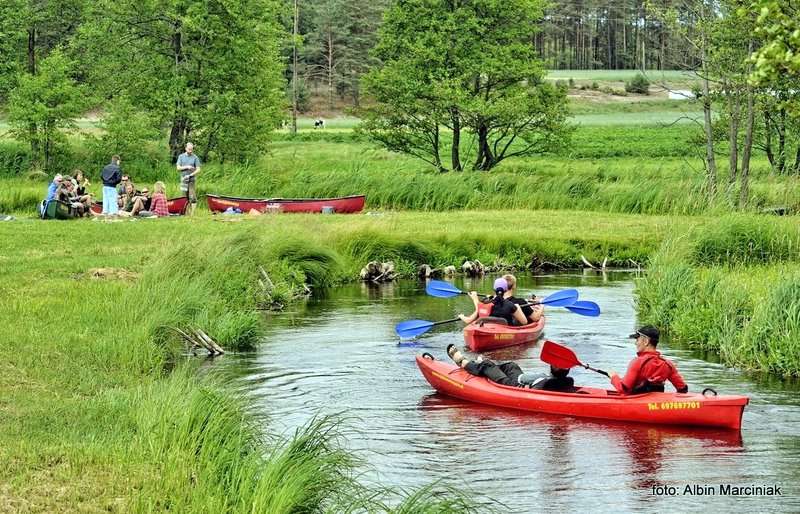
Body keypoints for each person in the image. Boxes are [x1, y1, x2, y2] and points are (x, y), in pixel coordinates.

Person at [446, 344, 575, 392]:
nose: (551, 363)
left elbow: (531, 393)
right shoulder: (564, 380)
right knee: (511, 365)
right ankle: (481, 365)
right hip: (519, 379)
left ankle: (463, 362)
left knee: (488, 365)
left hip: (512, 386)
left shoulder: (547, 383)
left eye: (554, 364)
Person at [608, 326, 688, 394]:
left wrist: (614, 377)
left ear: (646, 341)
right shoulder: (668, 364)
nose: (635, 343)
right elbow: (683, 389)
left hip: (636, 403)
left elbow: (623, 389)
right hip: (655, 404)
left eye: (637, 340)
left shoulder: (637, 362)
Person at [458, 277, 528, 326]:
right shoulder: (510, 305)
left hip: (487, 330)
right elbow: (524, 322)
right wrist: (517, 307)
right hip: (505, 332)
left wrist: (461, 316)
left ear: (494, 289)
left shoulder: (485, 303)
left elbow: (468, 320)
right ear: (506, 290)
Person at [176, 142, 201, 215]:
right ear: (186, 148)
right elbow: (178, 168)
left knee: (192, 196)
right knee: (184, 197)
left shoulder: (195, 157)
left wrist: (191, 175)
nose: (190, 151)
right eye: (189, 149)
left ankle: (192, 214)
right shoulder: (181, 156)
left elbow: (198, 169)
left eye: (191, 149)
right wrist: (187, 167)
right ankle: (186, 212)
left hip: (191, 179)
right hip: (183, 179)